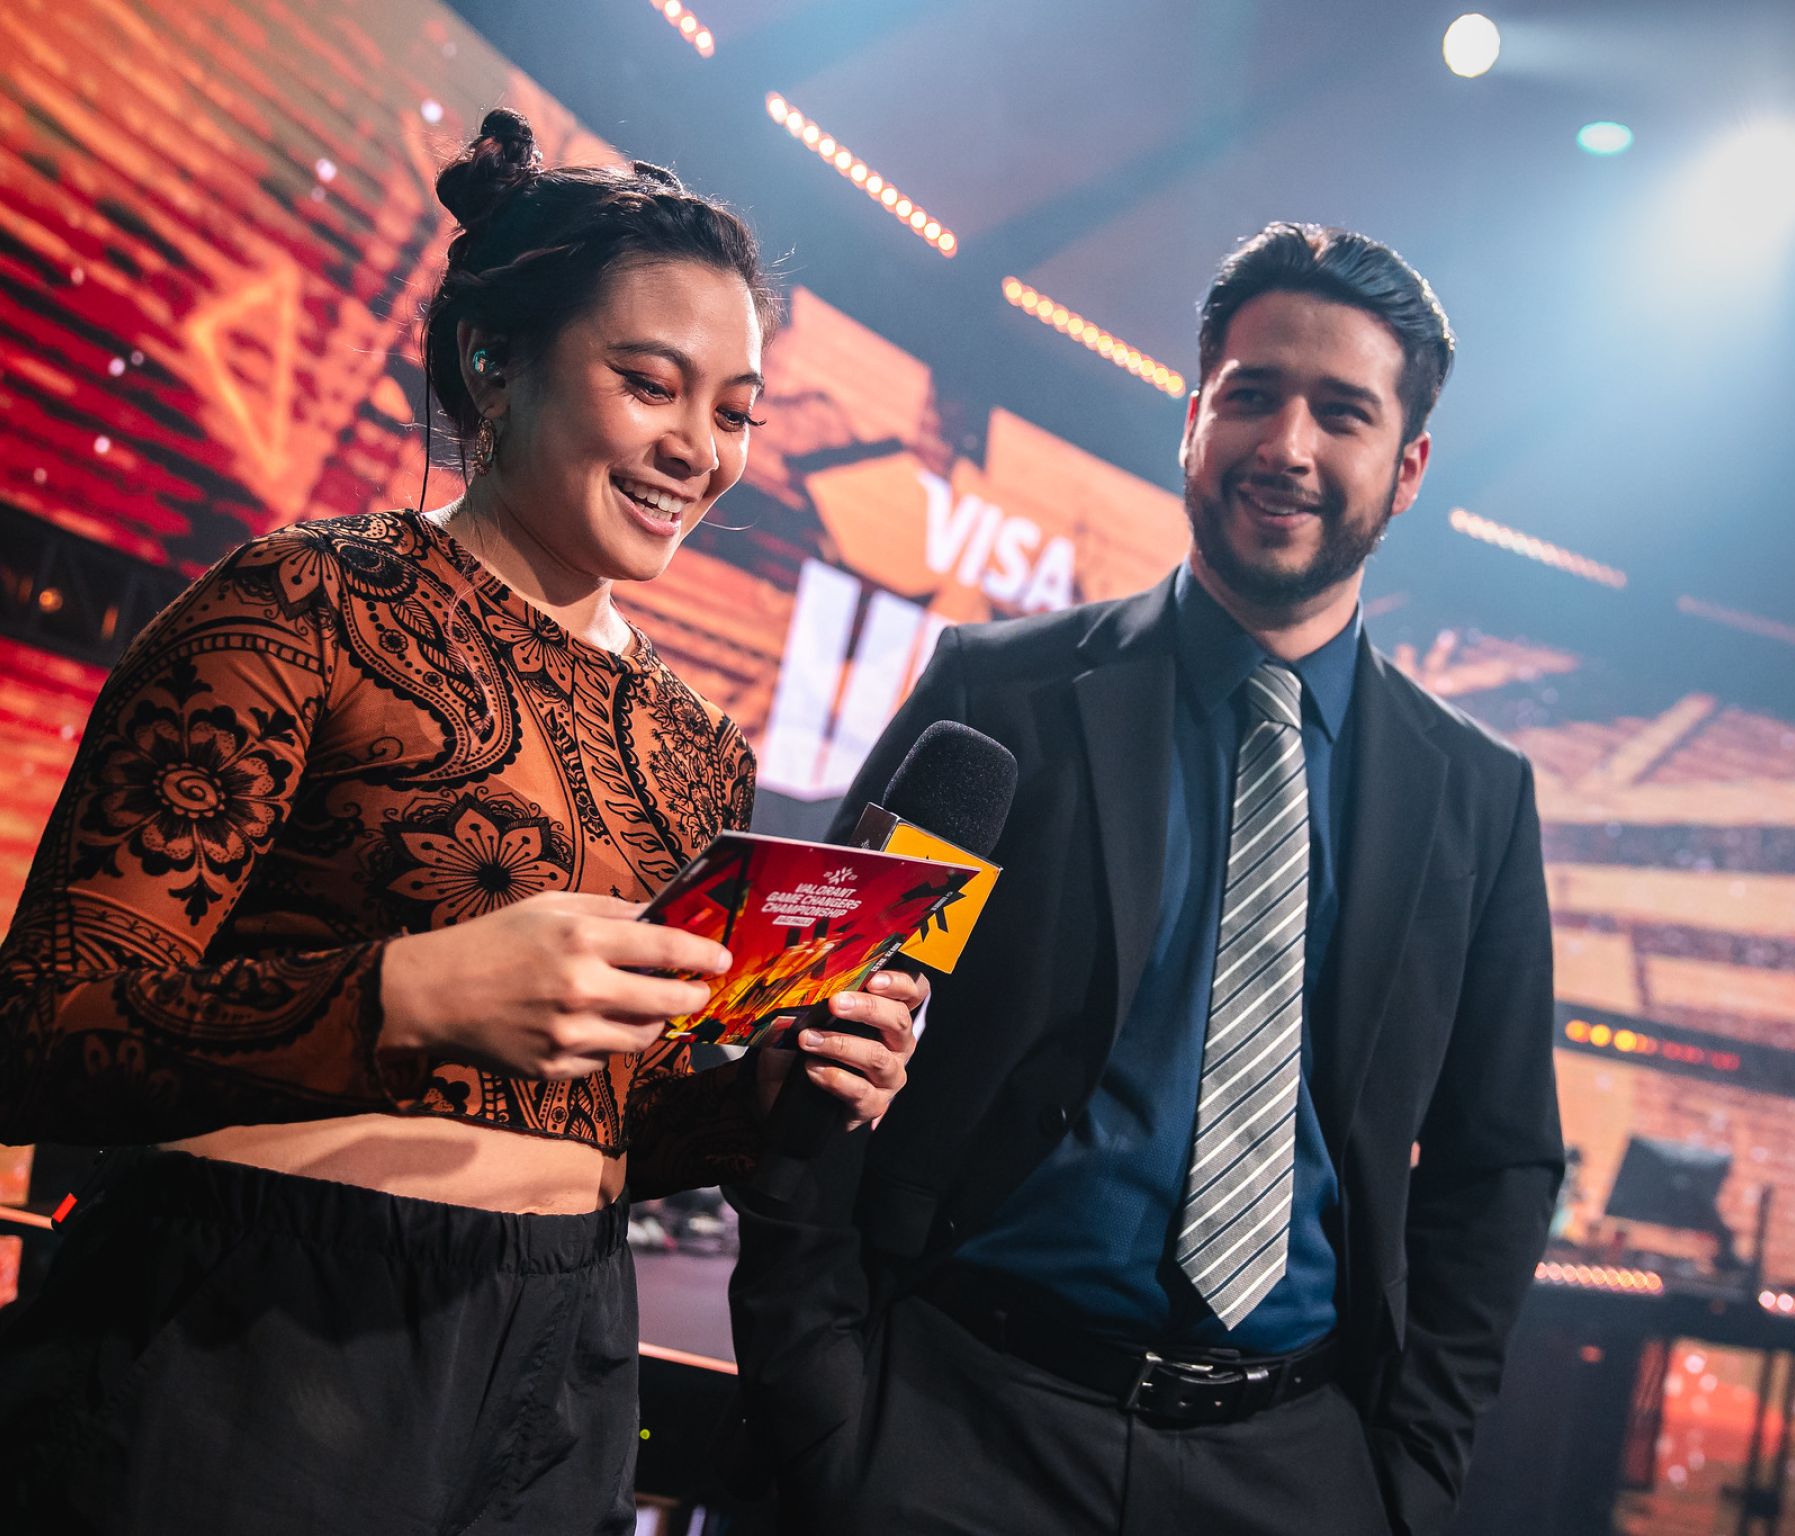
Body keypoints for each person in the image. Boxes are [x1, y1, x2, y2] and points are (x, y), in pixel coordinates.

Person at [0, 109, 921, 1534]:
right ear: (494, 358)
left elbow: (610, 1125)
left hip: (565, 1356)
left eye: (735, 413)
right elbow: (40, 1032)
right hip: (251, 1333)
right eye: (650, 384)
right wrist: (408, 995)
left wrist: (772, 1094)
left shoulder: (699, 752)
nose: (698, 449)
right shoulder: (300, 607)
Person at [728, 223, 1563, 1536]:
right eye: (1251, 395)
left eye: (1341, 413)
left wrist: (1404, 1481)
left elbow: (1500, 1160)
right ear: (1193, 421)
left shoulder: (1478, 796)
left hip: (1293, 1472)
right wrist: (825, 1400)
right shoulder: (997, 694)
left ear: (1407, 469)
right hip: (948, 1426)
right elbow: (812, 1027)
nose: (1287, 445)